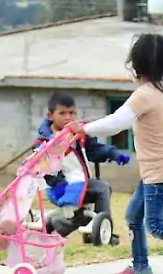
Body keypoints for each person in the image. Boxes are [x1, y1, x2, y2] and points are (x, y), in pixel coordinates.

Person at [69, 33, 163, 274]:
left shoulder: (145, 94)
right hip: (160, 172)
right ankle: (140, 267)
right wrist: (88, 127)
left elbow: (116, 123)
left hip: (160, 175)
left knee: (155, 225)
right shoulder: (162, 89)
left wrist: (84, 129)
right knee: (133, 216)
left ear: (136, 64)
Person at [34, 92, 129, 242]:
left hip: (80, 182)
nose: (68, 117)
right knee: (94, 197)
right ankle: (97, 229)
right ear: (50, 115)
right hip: (62, 187)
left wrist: (113, 153)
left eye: (71, 113)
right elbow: (44, 167)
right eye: (62, 113)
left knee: (100, 190)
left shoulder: (77, 134)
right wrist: (57, 184)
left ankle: (99, 228)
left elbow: (94, 150)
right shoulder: (45, 142)